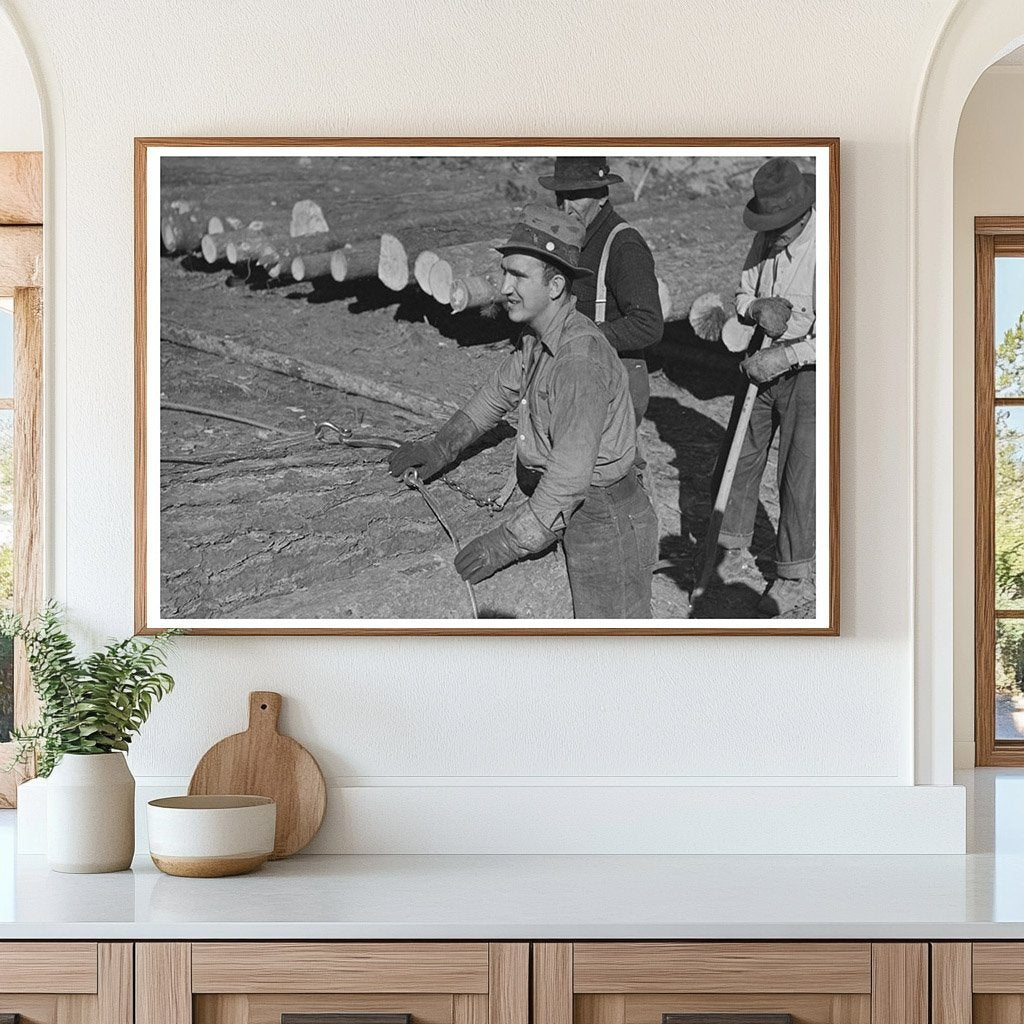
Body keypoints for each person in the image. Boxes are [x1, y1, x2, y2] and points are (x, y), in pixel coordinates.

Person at [389, 205, 659, 618]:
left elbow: (569, 480)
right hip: (580, 505)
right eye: (504, 273)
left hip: (605, 517)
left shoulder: (577, 362)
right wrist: (443, 446)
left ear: (554, 286)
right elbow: (494, 396)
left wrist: (505, 544)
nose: (504, 287)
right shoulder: (536, 338)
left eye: (517, 276)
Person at [717, 157, 818, 618]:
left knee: (798, 474)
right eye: (767, 224)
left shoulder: (827, 250)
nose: (773, 234)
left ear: (802, 214)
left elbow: (839, 332)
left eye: (781, 226)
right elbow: (740, 293)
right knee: (740, 454)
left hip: (809, 368)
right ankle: (728, 548)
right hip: (759, 358)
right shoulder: (763, 241)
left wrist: (787, 354)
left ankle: (793, 574)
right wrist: (756, 306)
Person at [537, 156, 663, 425]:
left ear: (602, 195)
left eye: (576, 197)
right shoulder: (570, 237)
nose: (566, 207)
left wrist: (586, 335)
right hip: (571, 371)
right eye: (561, 197)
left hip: (614, 377)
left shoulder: (624, 245)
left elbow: (649, 324)